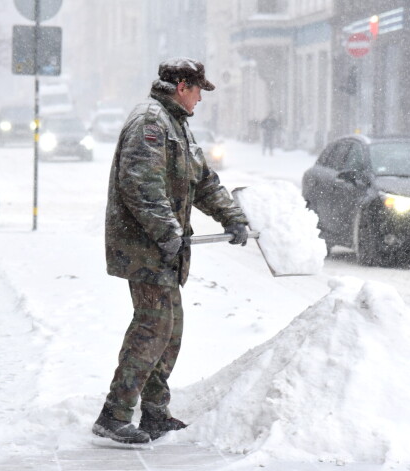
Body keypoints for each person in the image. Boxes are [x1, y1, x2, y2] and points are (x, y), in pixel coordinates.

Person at [93, 57, 249, 444]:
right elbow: (140, 187)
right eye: (198, 90)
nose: (201, 98)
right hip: (144, 249)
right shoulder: (151, 123)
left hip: (162, 249)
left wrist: (232, 217)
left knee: (169, 330)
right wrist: (167, 233)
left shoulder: (175, 124)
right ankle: (114, 416)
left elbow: (203, 181)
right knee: (153, 328)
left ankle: (154, 413)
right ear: (182, 86)